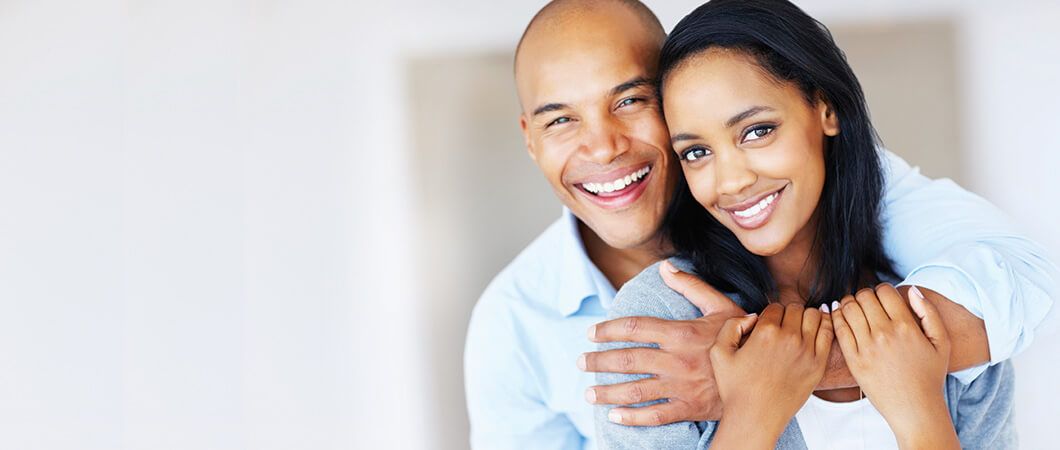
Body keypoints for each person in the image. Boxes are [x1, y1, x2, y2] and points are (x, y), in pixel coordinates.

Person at [464, 1, 1055, 448]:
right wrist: (756, 401)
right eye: (697, 150)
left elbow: (1024, 274)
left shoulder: (933, 299)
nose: (604, 146)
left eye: (629, 100)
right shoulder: (621, 324)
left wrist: (822, 362)